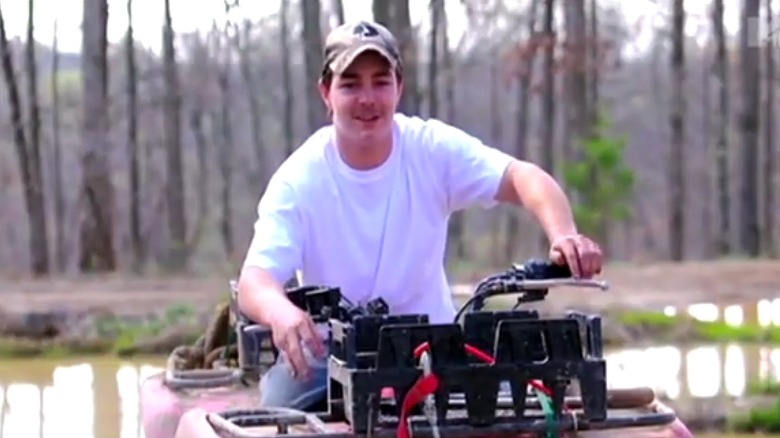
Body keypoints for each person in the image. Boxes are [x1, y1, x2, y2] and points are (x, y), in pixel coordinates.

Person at [236, 20, 604, 410]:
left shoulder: (431, 149)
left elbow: (522, 177)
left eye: (380, 81)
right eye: (350, 84)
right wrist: (280, 313)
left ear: (399, 87)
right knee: (276, 412)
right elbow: (255, 280)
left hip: (433, 347)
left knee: (519, 409)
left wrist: (564, 234)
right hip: (331, 355)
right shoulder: (299, 179)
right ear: (326, 93)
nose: (367, 98)